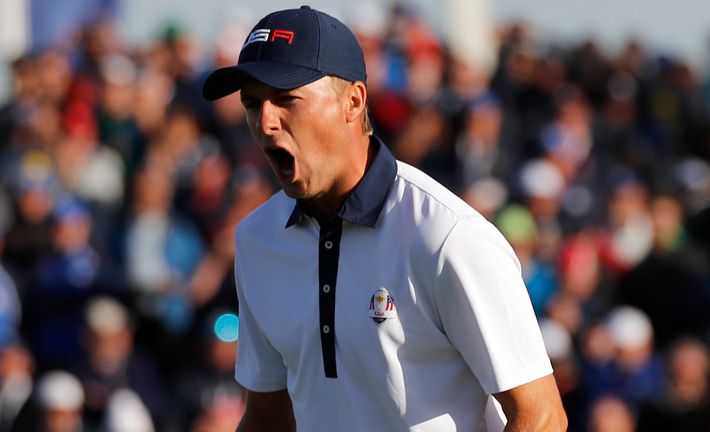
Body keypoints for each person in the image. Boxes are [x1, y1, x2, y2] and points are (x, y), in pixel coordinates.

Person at [202, 6, 567, 431]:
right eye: (252, 102)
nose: (264, 122)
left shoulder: (447, 235)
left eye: (286, 99)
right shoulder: (256, 240)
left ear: (353, 102)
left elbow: (540, 416)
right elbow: (268, 418)